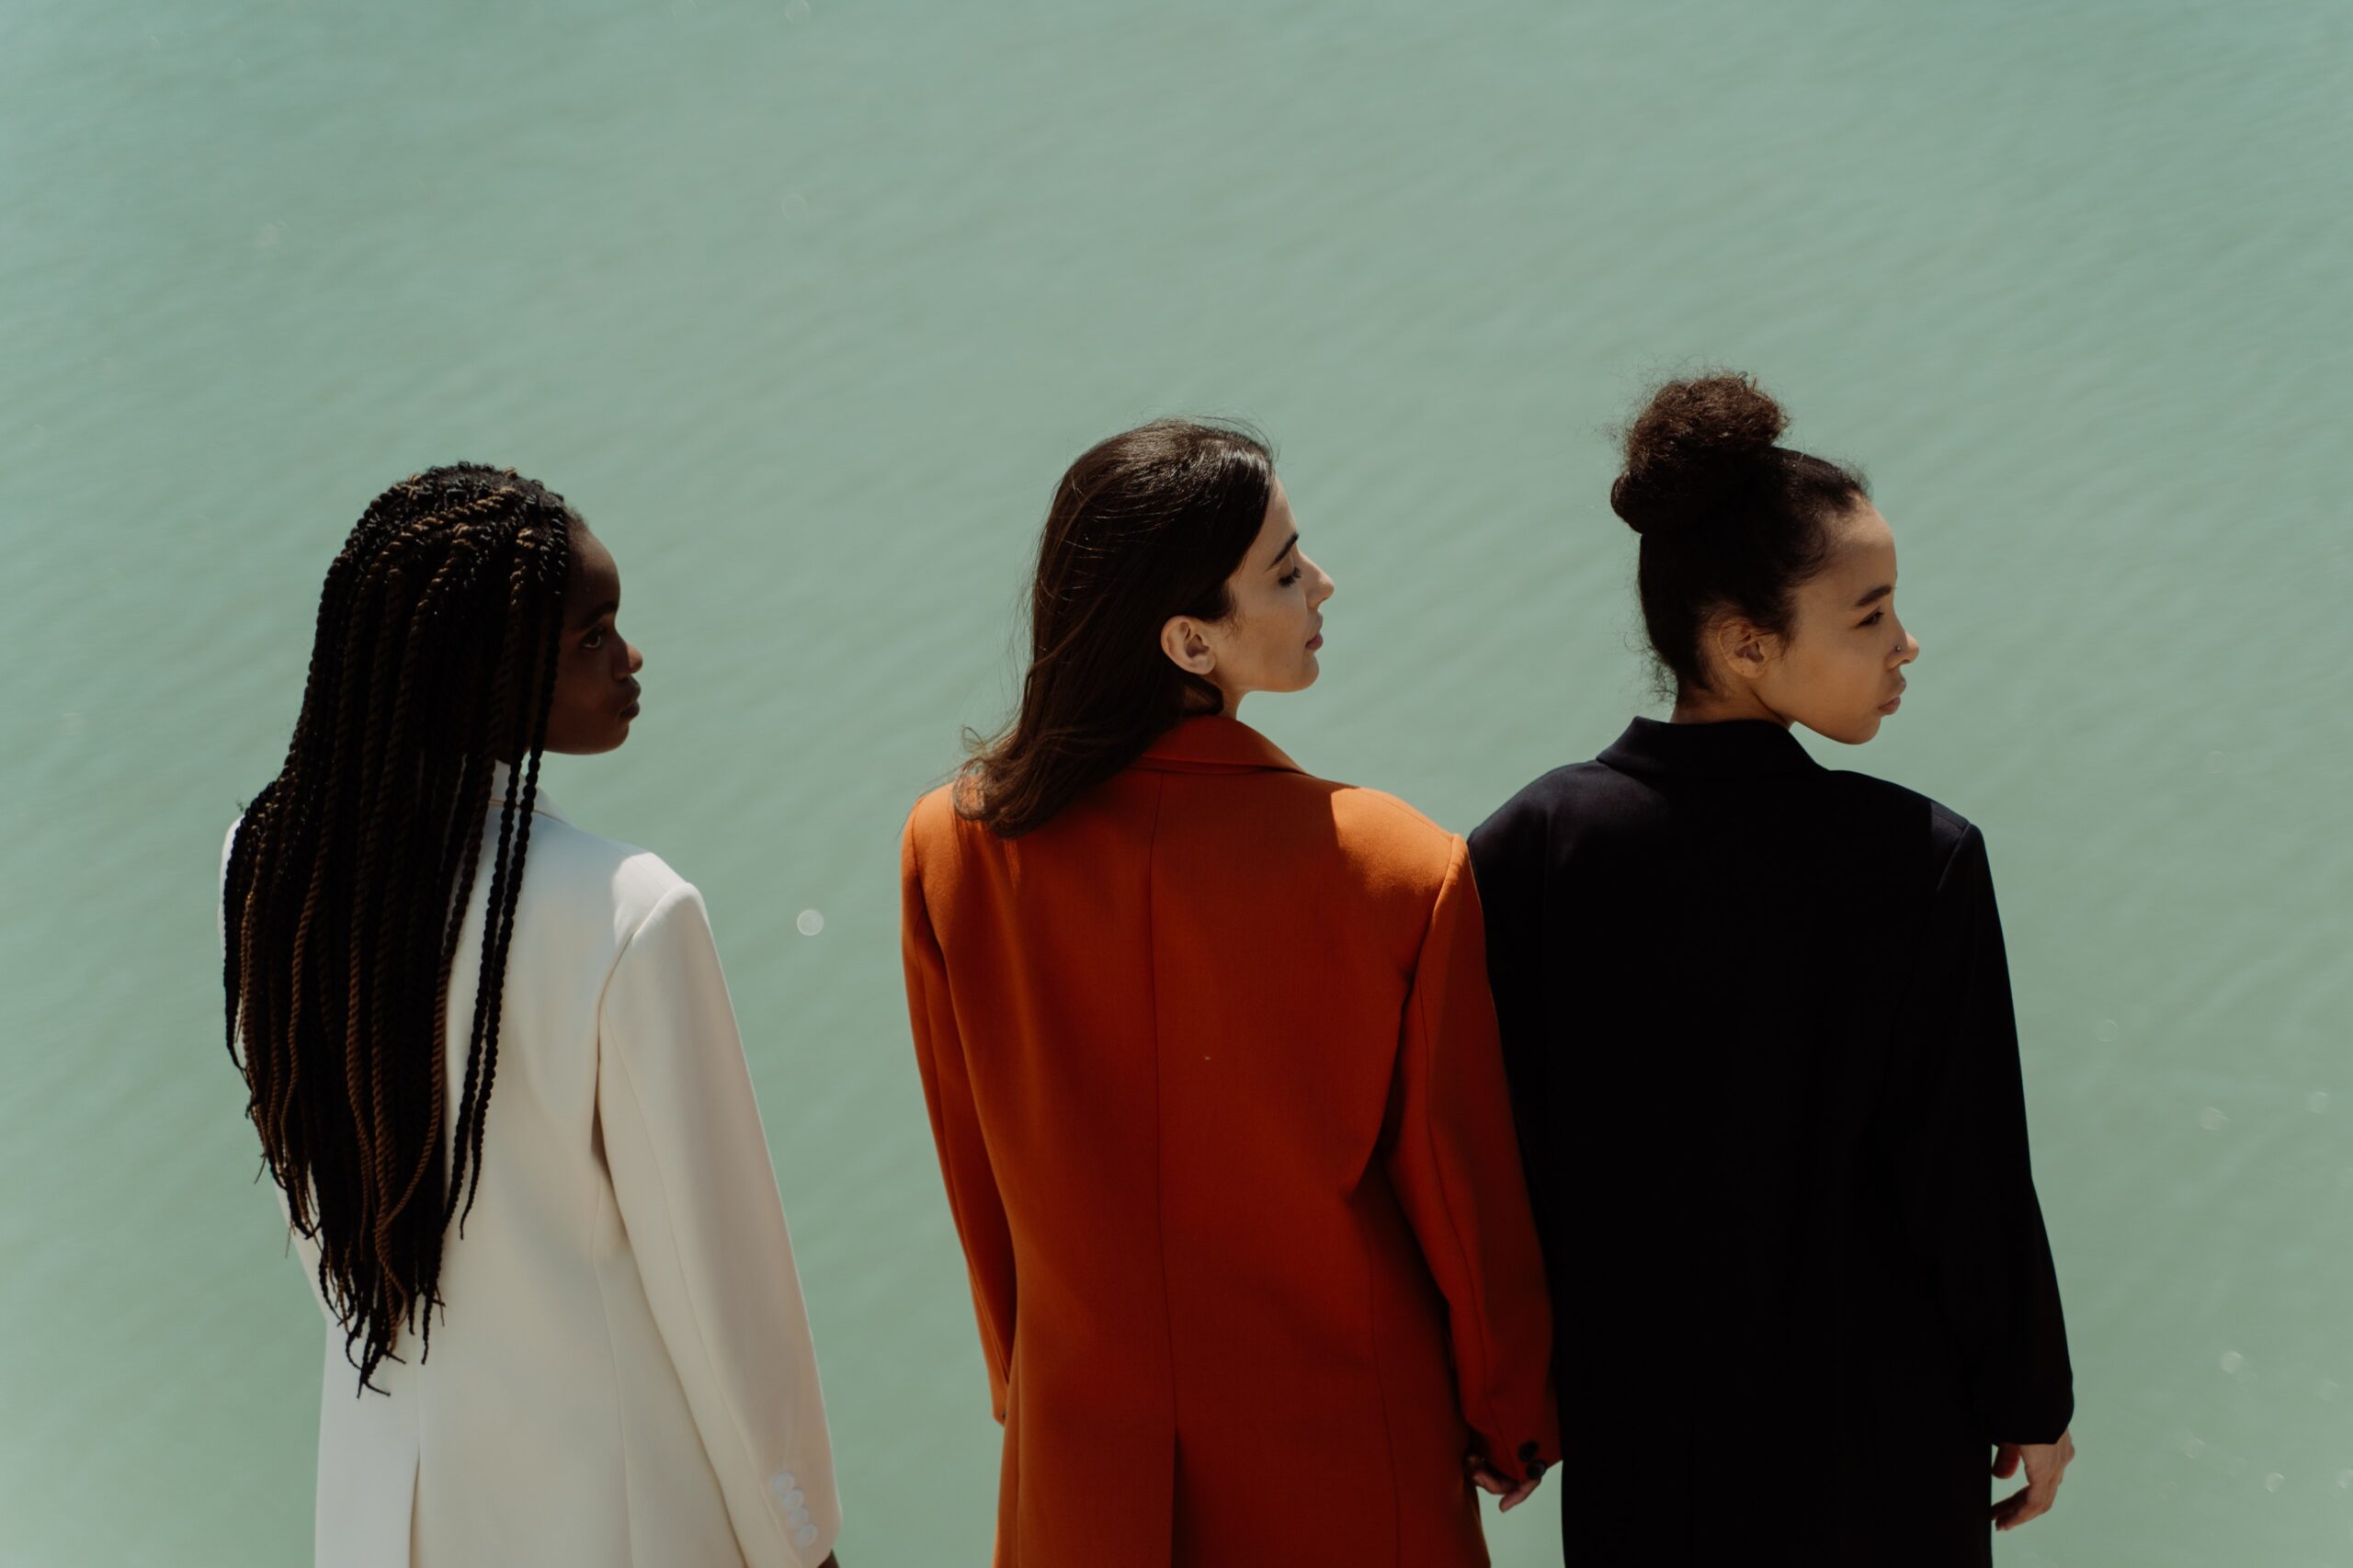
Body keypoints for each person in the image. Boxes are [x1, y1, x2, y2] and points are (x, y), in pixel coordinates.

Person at [899, 420, 1558, 1567]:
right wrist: (1511, 1416)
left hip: (1083, 1462)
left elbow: (977, 1167)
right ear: (1188, 639)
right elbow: (1458, 1188)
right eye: (1287, 568)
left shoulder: (956, 844)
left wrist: (1027, 1381)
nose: (1322, 583)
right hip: (1350, 1464)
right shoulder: (1396, 867)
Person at [1470, 374, 2075, 1566]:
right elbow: (1970, 1175)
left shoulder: (1532, 846)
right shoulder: (1921, 859)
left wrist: (1497, 1394)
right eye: (1868, 616)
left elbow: (1481, 1149)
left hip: (1648, 1455)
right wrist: (2031, 1398)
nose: (1908, 644)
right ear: (1745, 642)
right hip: (1882, 1454)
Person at [220, 465, 840, 1568]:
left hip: (379, 1511)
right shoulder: (628, 916)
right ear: (486, 678)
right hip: (616, 1519)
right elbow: (717, 1295)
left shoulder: (268, 867)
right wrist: (802, 1540)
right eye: (593, 635)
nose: (630, 657)